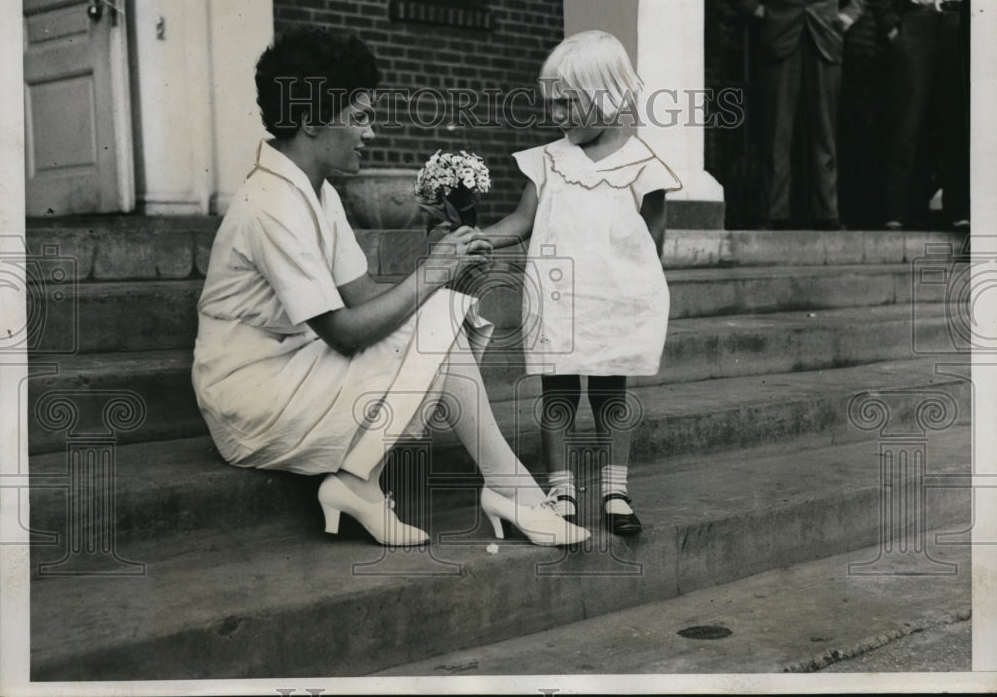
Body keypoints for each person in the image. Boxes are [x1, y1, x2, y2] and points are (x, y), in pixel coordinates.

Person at [191, 27, 589, 548]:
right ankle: (504, 494)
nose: (370, 133)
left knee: (436, 317)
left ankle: (368, 484)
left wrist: (442, 274)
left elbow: (362, 300)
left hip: (295, 366)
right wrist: (432, 275)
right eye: (358, 118)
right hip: (251, 396)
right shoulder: (270, 203)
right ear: (312, 121)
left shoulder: (315, 190)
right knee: (434, 319)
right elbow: (347, 333)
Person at [481, 30, 681, 536]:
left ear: (607, 97)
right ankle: (562, 487)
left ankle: (615, 490)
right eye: (553, 105)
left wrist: (632, 293)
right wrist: (478, 238)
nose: (558, 116)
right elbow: (521, 221)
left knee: (611, 391)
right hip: (557, 297)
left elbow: (651, 242)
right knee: (558, 392)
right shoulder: (547, 160)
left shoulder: (642, 163)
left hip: (614, 297)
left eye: (569, 104)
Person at [713, 0, 868, 230]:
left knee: (825, 130)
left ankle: (828, 214)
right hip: (780, 38)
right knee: (777, 130)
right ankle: (773, 212)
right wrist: (754, 7)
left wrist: (851, 12)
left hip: (825, 38)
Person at [870, 0, 970, 231]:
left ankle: (959, 209)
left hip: (958, 21)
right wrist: (892, 30)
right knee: (907, 120)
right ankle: (896, 212)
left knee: (957, 120)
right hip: (916, 23)